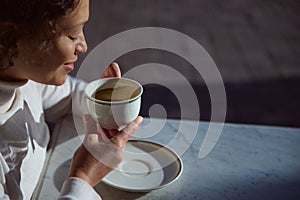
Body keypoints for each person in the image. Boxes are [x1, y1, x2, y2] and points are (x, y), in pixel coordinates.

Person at [0, 0, 143, 199]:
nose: (83, 46)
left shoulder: (28, 79)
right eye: (72, 34)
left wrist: (103, 103)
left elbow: (70, 96)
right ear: (10, 36)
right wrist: (83, 177)